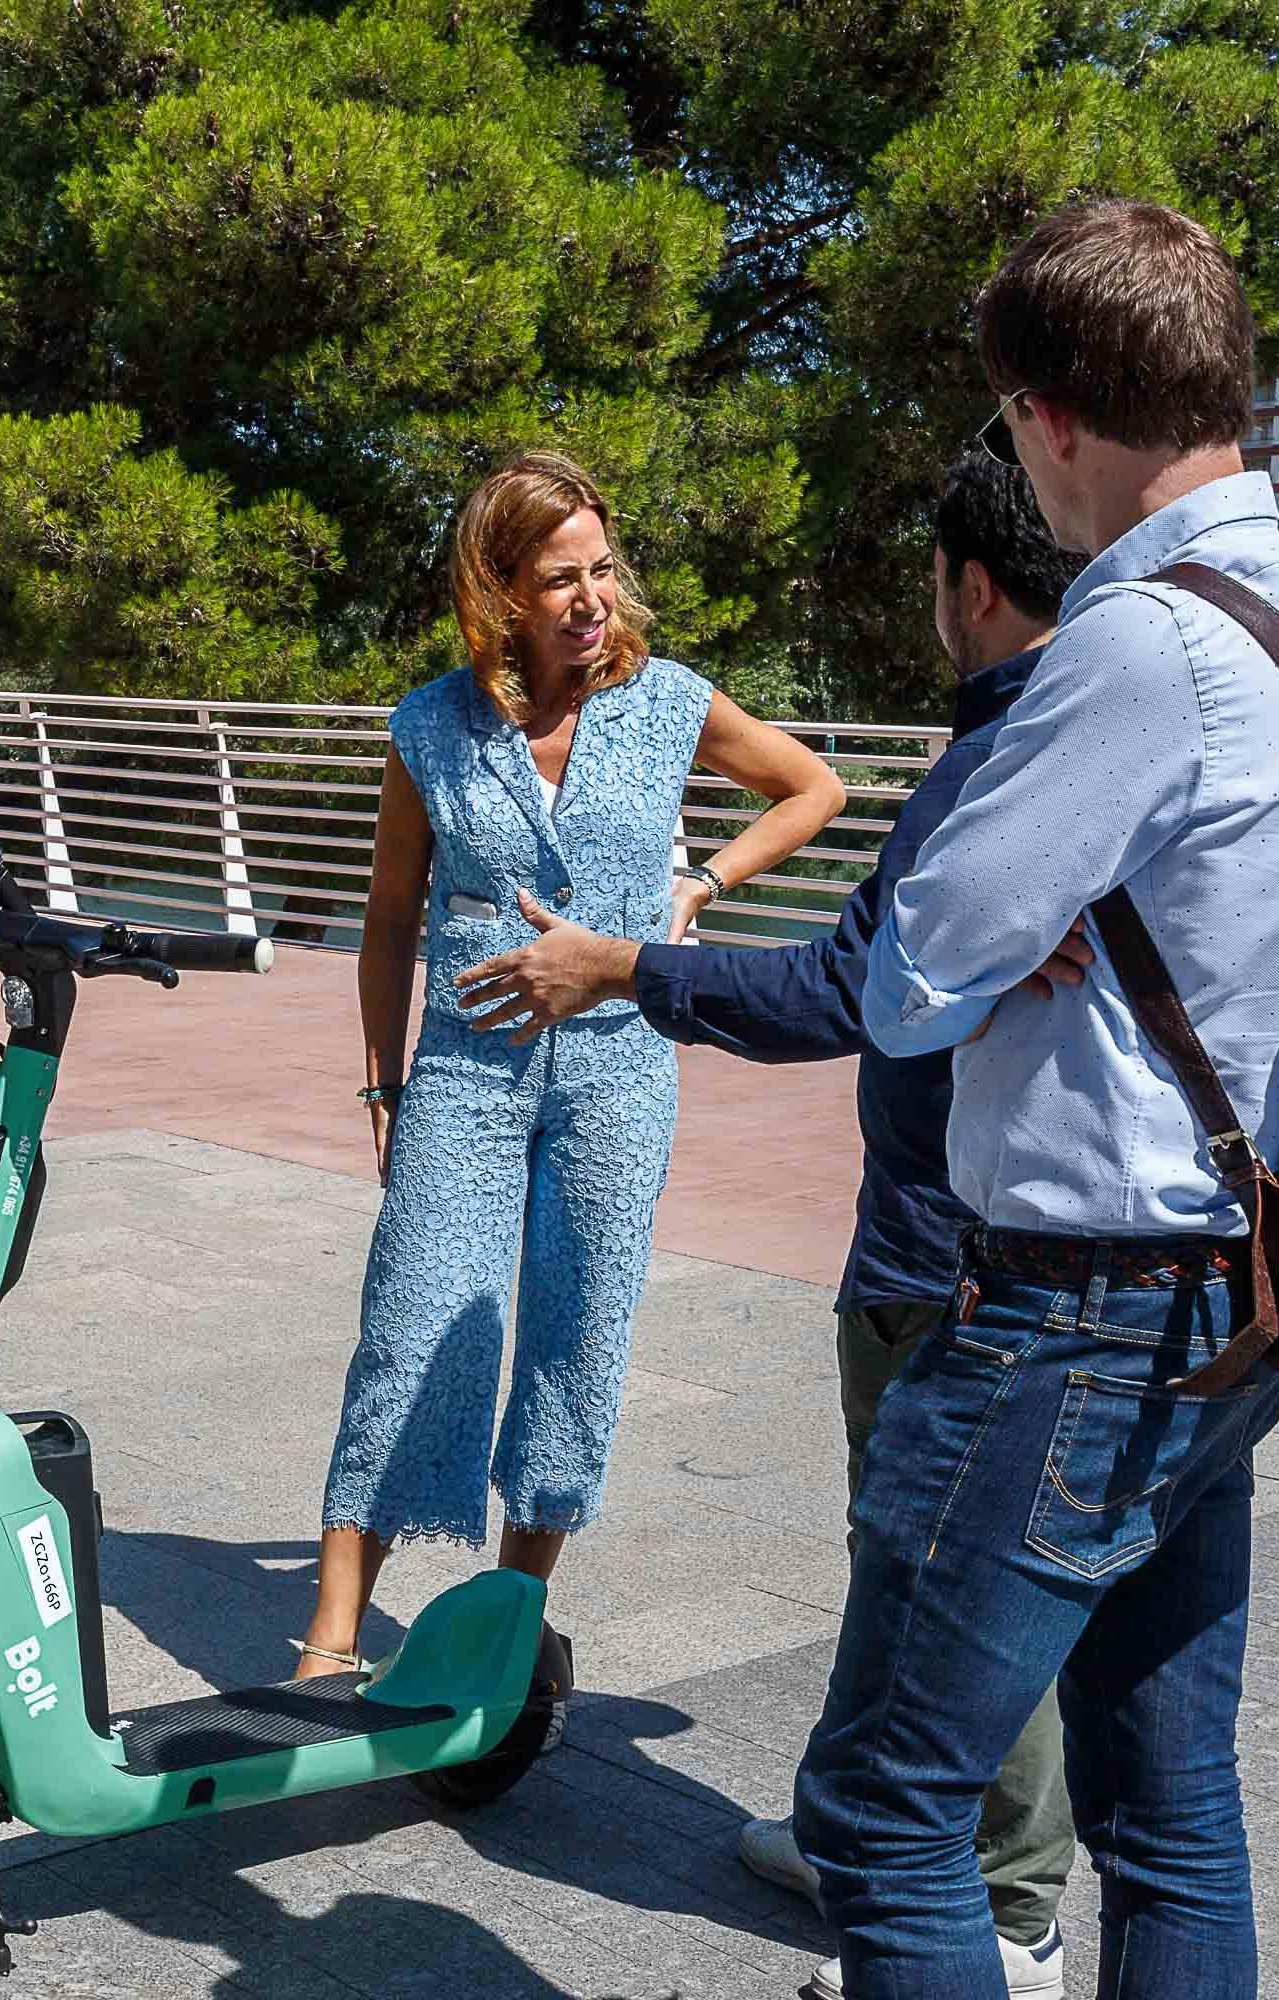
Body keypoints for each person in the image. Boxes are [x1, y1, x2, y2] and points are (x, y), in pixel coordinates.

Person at [791, 199, 1279, 2000]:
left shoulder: (1138, 646)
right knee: (1172, 1811)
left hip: (1073, 1316)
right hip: (1230, 1287)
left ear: (1048, 418)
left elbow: (907, 975)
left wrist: (999, 921)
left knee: (888, 1811)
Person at [561, 452, 1084, 1997]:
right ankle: (857, 1830)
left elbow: (850, 989)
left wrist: (629, 969)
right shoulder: (1069, 734)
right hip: (941, 1235)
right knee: (892, 1551)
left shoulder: (1006, 761)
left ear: (968, 586)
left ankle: (1007, 1913)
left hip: (963, 1255)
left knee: (963, 1581)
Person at [295, 450, 843, 1680]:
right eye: (559, 578)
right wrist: (382, 1076)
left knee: (577, 1331)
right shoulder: (431, 726)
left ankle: (505, 1620)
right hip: (465, 1067)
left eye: (602, 569)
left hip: (620, 1069)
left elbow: (814, 788)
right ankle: (329, 1639)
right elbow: (389, 913)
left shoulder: (669, 701)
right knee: (413, 1319)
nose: (593, 599)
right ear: (499, 590)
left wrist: (702, 883)